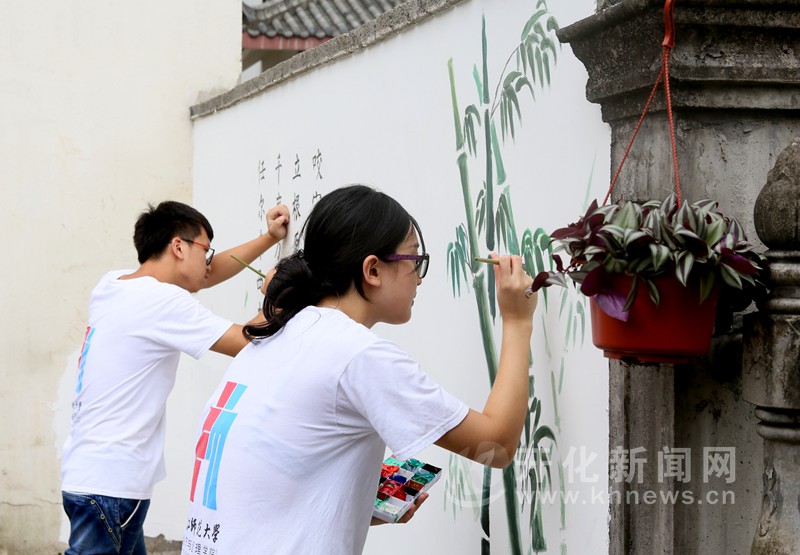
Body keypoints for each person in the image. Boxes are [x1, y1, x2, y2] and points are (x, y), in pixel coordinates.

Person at [182, 184, 537, 554]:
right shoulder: (358, 355)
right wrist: (516, 321)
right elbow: (496, 445)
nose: (418, 276)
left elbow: (264, 487)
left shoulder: (277, 334)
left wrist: (356, 501)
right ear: (373, 270)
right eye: (414, 260)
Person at [61, 200, 290, 555]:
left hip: (91, 477)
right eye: (206, 249)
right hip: (111, 487)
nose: (209, 261)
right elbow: (244, 340)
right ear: (179, 246)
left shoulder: (112, 285)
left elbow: (206, 273)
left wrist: (268, 238)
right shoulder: (160, 301)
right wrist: (282, 294)